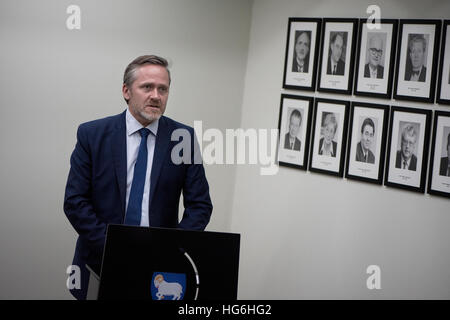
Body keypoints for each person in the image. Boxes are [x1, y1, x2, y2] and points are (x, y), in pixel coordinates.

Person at [63, 55, 213, 300]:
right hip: (99, 262)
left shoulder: (182, 138)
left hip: (161, 266)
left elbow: (200, 206)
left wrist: (172, 250)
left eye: (162, 89)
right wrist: (113, 248)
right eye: (147, 87)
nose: (156, 95)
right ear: (126, 91)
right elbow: (75, 201)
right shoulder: (92, 135)